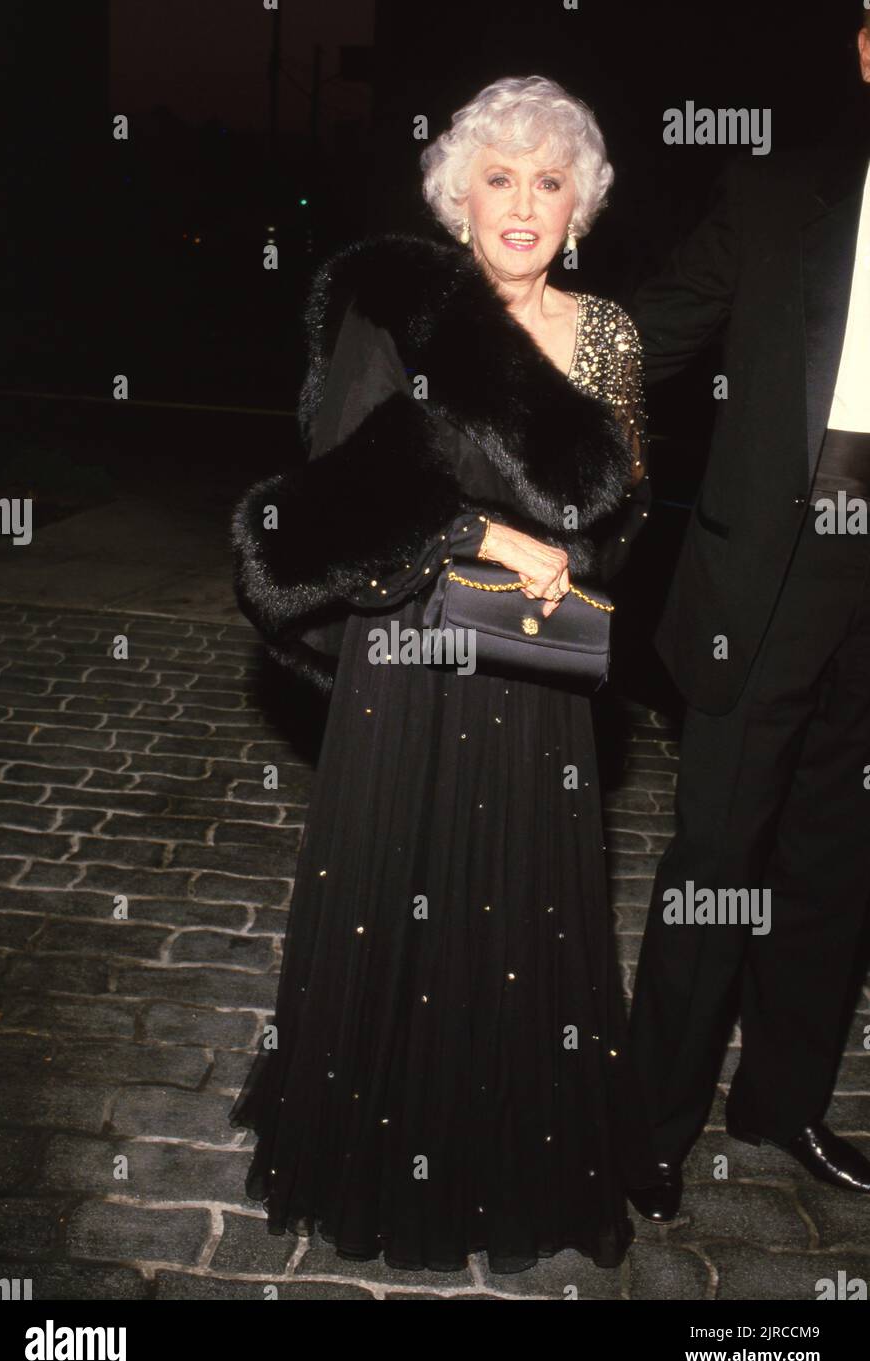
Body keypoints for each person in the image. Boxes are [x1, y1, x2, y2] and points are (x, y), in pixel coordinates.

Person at [228, 75, 655, 1273]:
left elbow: (625, 516)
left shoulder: (608, 333)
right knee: (395, 883)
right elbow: (325, 509)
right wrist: (481, 536)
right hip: (408, 656)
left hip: (531, 672)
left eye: (549, 181)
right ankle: (378, 1143)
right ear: (455, 195)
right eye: (499, 177)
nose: (522, 204)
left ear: (581, 205)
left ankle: (508, 1155)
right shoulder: (396, 310)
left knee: (516, 907)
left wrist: (564, 558)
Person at [626, 10, 870, 1223]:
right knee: (718, 855)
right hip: (771, 573)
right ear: (869, 47)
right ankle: (647, 1129)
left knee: (836, 859)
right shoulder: (776, 189)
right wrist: (504, 345)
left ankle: (782, 1105)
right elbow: (652, 330)